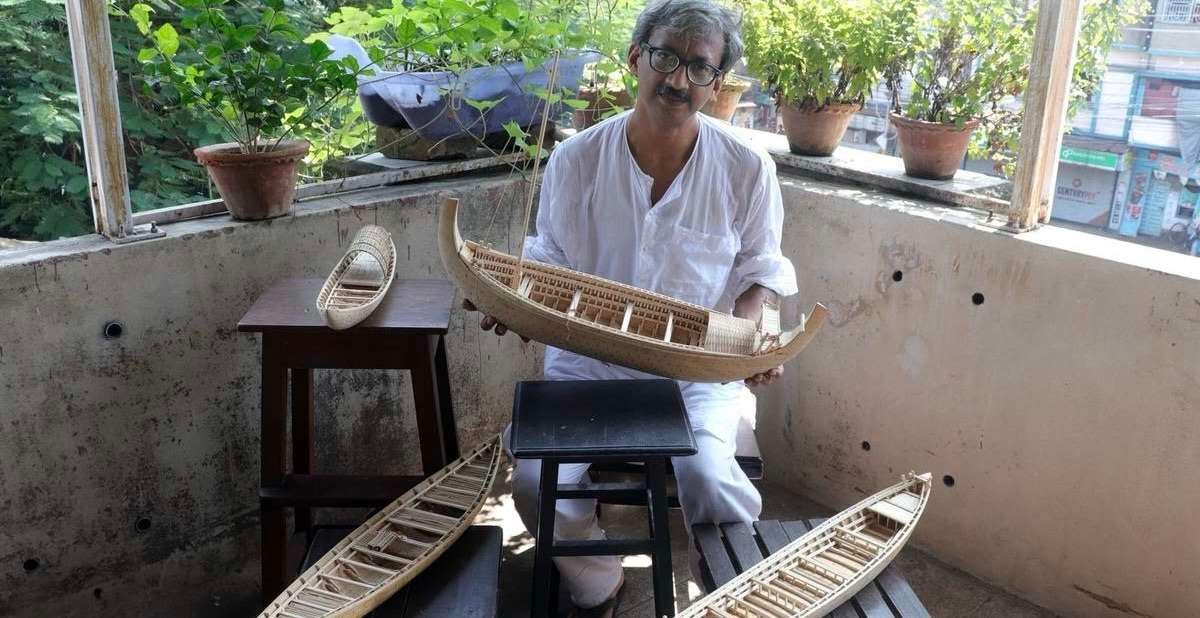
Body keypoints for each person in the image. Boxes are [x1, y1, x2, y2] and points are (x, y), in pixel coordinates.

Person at [463, 1, 797, 615]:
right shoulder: (577, 158)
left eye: (700, 67)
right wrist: (513, 301)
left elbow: (760, 276)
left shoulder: (748, 169)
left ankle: (731, 579)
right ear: (635, 58)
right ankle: (597, 578)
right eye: (665, 57)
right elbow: (550, 263)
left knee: (710, 479)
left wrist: (755, 333)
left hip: (694, 371)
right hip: (589, 363)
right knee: (537, 486)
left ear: (717, 81)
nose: (677, 80)